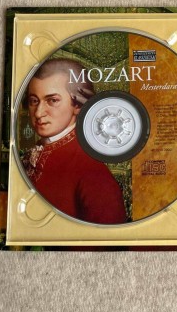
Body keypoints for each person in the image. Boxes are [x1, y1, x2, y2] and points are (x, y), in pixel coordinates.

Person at [22, 58, 127, 224]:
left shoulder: (93, 173)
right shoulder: (34, 152)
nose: (39, 112)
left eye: (52, 100)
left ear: (77, 105)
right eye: (34, 101)